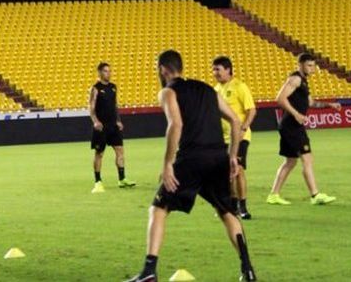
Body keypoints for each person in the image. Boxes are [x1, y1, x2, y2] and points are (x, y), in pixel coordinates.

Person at [126, 50, 256, 282]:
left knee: (158, 208)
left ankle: (149, 271)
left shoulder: (168, 92)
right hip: (218, 158)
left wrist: (167, 164)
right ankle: (248, 270)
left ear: (163, 69)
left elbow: (175, 125)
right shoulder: (207, 88)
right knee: (227, 212)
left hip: (191, 159)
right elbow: (236, 121)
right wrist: (233, 157)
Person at [267, 53, 341, 206]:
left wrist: (330, 105)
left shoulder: (303, 82)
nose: (312, 68)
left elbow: (311, 103)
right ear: (299, 65)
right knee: (307, 158)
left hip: (289, 125)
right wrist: (297, 114)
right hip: (292, 125)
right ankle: (315, 195)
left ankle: (273, 195)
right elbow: (280, 98)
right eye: (309, 65)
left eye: (313, 65)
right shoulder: (295, 79)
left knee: (290, 162)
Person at [212, 56, 256, 219]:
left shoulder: (239, 86)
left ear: (228, 69)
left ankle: (242, 206)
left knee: (237, 169)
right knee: (226, 172)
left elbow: (251, 110)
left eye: (218, 69)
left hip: (240, 136)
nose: (215, 72)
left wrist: (244, 127)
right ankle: (231, 205)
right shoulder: (216, 90)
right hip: (223, 138)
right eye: (214, 69)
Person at [89, 62, 135, 193]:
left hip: (113, 126)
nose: (108, 73)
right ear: (99, 73)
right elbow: (91, 107)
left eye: (109, 71)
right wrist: (95, 121)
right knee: (99, 154)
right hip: (101, 126)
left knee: (120, 150)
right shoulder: (95, 88)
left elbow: (115, 106)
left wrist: (118, 121)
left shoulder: (114, 87)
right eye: (105, 71)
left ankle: (122, 179)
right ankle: (98, 182)